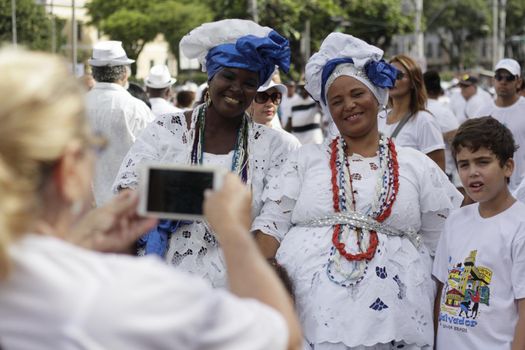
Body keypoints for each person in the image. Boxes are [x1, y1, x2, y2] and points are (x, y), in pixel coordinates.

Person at [0, 48, 302, 350]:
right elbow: (280, 334)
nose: (237, 88)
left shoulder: (33, 280)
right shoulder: (114, 295)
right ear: (69, 171)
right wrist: (232, 229)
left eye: (250, 82)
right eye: (93, 148)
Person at [253, 32, 462, 349]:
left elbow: (446, 244)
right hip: (310, 318)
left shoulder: (415, 165)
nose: (348, 105)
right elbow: (270, 225)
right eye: (336, 100)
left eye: (356, 94)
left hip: (398, 320)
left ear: (378, 96)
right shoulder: (305, 159)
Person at [113, 19, 301, 288]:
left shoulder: (278, 147)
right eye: (228, 76)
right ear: (211, 76)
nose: (237, 88)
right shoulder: (166, 130)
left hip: (237, 288)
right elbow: (127, 201)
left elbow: (273, 225)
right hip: (164, 286)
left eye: (249, 82)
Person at [433, 117, 525, 349]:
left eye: (482, 162)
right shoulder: (455, 220)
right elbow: (442, 290)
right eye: (464, 164)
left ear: (508, 167)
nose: (472, 172)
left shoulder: (520, 225)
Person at [86, 41, 155, 206]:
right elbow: (154, 156)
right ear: (124, 74)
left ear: (94, 74)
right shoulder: (137, 108)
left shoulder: (75, 106)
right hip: (126, 207)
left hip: (84, 208)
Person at [378, 54, 446, 171]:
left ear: (414, 81)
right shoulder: (379, 117)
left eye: (399, 75)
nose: (392, 79)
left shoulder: (424, 120)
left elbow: (438, 172)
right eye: (388, 74)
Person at [476, 58, 525, 192]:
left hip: (522, 188)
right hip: (493, 188)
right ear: (493, 80)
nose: (503, 82)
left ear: (518, 82)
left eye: (509, 78)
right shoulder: (482, 113)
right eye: (499, 77)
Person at [423, 70, 460, 184]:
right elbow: (458, 143)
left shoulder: (411, 112)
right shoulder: (444, 112)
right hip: (442, 174)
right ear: (439, 91)